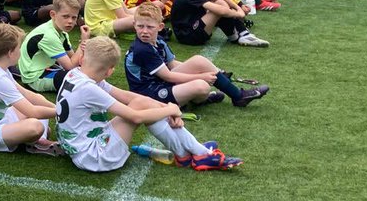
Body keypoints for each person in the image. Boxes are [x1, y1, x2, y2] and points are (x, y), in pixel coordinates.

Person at [57, 37, 242, 173]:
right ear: (110, 71)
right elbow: (135, 116)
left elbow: (127, 96)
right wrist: (170, 109)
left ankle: (190, 152)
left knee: (141, 102)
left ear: (82, 58)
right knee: (140, 107)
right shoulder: (89, 88)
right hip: (93, 157)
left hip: (81, 146)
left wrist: (167, 109)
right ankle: (198, 153)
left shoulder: (76, 73)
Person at [125, 3, 268, 108]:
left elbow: (173, 64)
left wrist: (206, 71)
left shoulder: (159, 41)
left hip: (159, 83)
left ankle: (238, 96)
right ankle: (190, 100)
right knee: (201, 86)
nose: (144, 31)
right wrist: (201, 76)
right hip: (148, 94)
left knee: (199, 62)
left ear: (160, 27)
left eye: (150, 27)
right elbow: (168, 76)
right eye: (140, 26)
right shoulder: (142, 49)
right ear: (134, 25)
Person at [0, 24, 59, 155]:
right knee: (35, 127)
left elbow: (26, 94)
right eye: (19, 48)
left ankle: (38, 140)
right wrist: (62, 113)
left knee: (39, 103)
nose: (20, 51)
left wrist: (57, 107)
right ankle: (37, 142)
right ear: (10, 53)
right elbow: (32, 111)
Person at [18, 0, 86, 93]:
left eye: (74, 17)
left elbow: (74, 59)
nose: (70, 21)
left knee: (85, 71)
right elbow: (71, 66)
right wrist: (83, 42)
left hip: (47, 68)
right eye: (65, 16)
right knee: (76, 78)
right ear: (53, 14)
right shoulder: (49, 35)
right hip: (35, 78)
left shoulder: (62, 33)